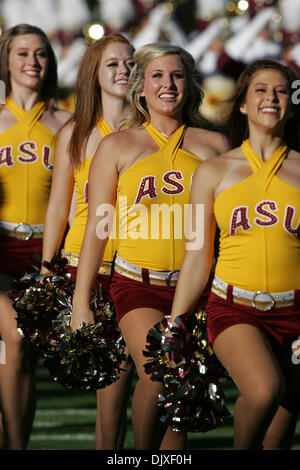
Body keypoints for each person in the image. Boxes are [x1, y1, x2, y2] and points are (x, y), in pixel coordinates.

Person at [71, 42, 229, 450]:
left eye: (177, 75)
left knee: (184, 400)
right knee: (160, 370)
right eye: (158, 75)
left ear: (190, 86)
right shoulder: (117, 146)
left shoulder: (215, 146)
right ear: (140, 87)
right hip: (136, 284)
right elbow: (97, 230)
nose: (168, 84)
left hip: (196, 288)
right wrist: (81, 301)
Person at [168, 59, 300, 450]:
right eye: (260, 89)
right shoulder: (210, 172)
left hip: (296, 312)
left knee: (278, 436)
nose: (271, 98)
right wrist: (176, 320)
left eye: (280, 91)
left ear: (291, 104)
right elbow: (196, 256)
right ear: (241, 103)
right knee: (263, 391)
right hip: (234, 308)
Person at [41, 33, 135, 450]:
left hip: (135, 265)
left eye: (131, 63)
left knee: (122, 382)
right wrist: (48, 269)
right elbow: (59, 206)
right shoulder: (75, 133)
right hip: (87, 266)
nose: (124, 71)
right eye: (113, 64)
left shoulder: (149, 133)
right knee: (113, 383)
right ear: (93, 74)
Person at [0, 24, 70, 450]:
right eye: (23, 53)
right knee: (15, 339)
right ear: (6, 61)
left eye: (41, 54)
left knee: (15, 353)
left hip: (45, 252)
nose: (32, 62)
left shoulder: (68, 123)